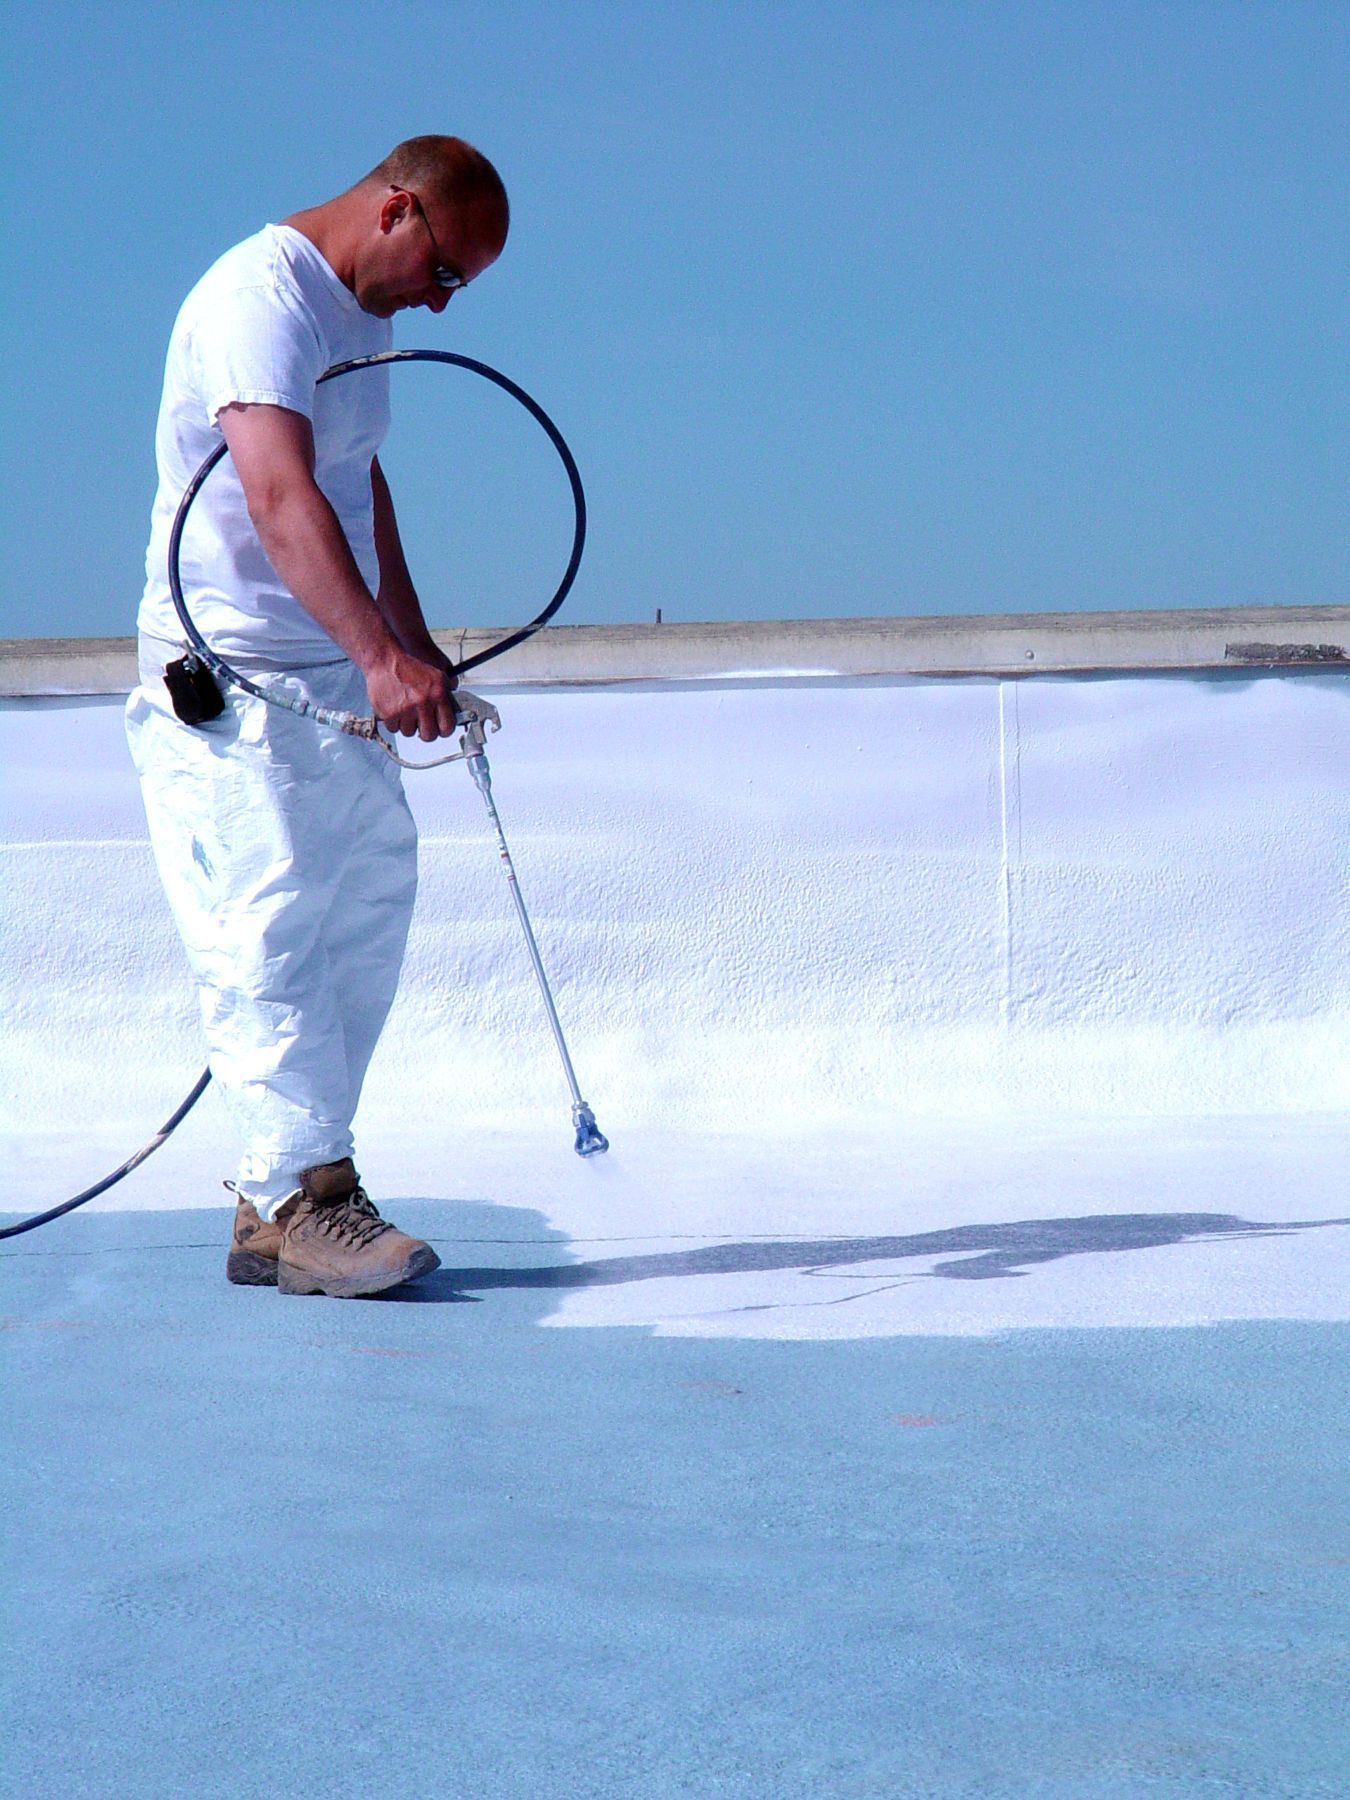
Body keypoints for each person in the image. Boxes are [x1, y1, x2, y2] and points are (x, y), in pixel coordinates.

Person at [126, 136, 509, 1297]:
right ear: (397, 209)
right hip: (235, 674)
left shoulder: (361, 318)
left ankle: (272, 1190)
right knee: (268, 924)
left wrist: (409, 644)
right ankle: (308, 1197)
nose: (438, 303)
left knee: (365, 907)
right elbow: (281, 493)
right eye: (444, 271)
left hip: (328, 673)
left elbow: (357, 477)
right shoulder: (258, 302)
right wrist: (373, 656)